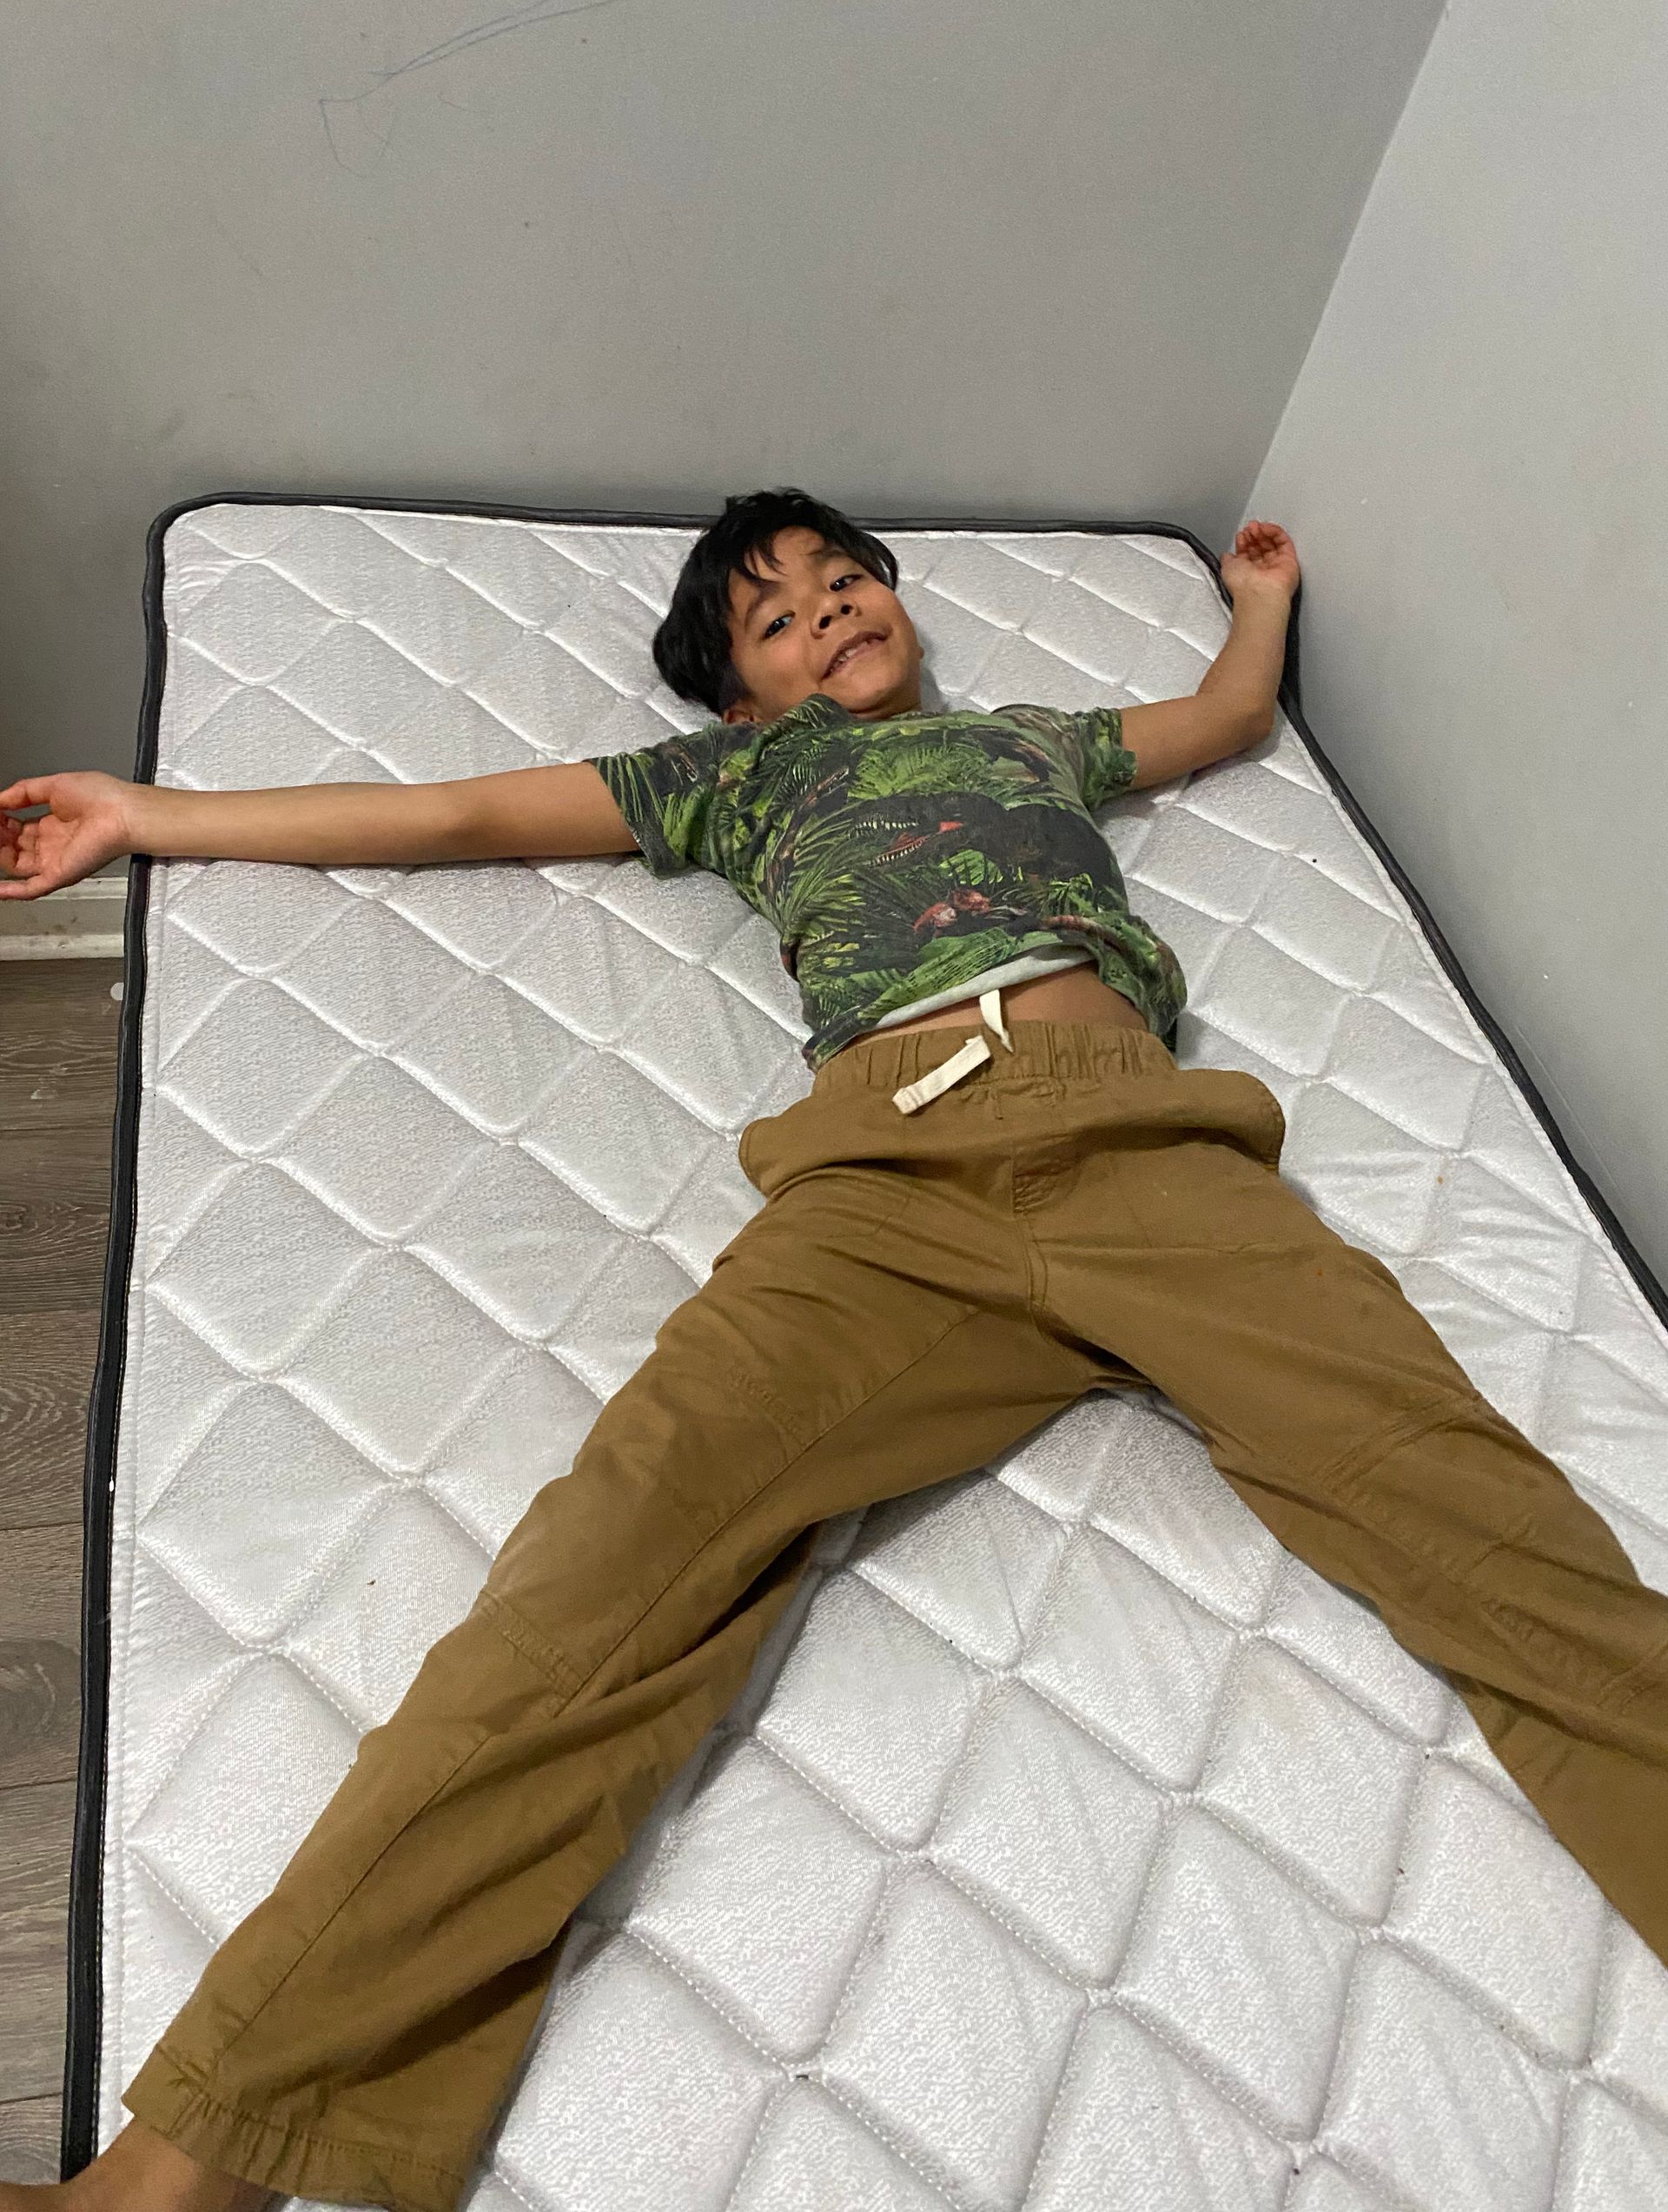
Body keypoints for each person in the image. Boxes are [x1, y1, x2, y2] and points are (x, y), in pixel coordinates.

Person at [3, 491, 1665, 2212]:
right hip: (880, 1184)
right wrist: (151, 809)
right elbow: (460, 807)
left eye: (845, 577)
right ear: (742, 699)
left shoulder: (1036, 741)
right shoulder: (734, 780)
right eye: (779, 615)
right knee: (593, 1587)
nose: (832, 608)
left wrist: (1256, 608)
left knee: (1491, 1532)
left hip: (1151, 1154)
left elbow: (1231, 719)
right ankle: (163, 2181)